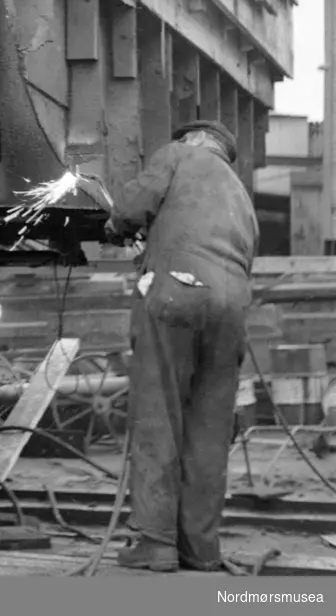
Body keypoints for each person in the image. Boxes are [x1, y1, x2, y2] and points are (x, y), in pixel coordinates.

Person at [102, 119, 258, 573]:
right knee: (209, 428)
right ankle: (201, 549)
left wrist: (116, 225)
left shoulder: (178, 155)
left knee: (159, 413)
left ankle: (155, 542)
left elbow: (131, 206)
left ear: (194, 139)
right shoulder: (241, 196)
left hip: (176, 292)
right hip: (231, 309)